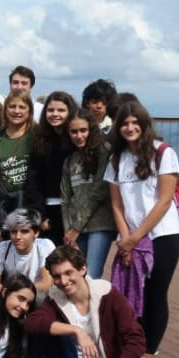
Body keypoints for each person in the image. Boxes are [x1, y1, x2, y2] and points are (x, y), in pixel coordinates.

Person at [25, 245, 146, 358]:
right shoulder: (56, 297)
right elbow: (32, 323)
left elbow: (136, 342)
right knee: (48, 330)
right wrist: (77, 331)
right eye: (57, 276)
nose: (63, 281)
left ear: (83, 269)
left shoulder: (108, 295)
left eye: (68, 273)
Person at [104, 96, 179, 358]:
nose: (129, 128)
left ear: (145, 124)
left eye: (135, 123)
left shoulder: (162, 152)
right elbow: (116, 204)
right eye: (124, 123)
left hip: (162, 235)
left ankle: (150, 355)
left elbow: (164, 201)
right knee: (130, 293)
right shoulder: (117, 158)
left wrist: (135, 238)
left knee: (155, 293)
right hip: (131, 239)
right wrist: (126, 239)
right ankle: (132, 348)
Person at [61, 110, 115, 277]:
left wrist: (75, 227)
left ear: (91, 130)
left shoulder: (104, 152)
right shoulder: (70, 159)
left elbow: (98, 192)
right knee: (77, 276)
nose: (79, 136)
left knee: (91, 275)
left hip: (99, 224)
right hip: (75, 229)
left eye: (83, 130)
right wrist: (68, 230)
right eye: (74, 131)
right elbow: (65, 198)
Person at [24, 92, 77, 246]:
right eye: (51, 110)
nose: (55, 114)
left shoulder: (76, 139)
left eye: (61, 110)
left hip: (73, 209)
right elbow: (33, 180)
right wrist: (39, 214)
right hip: (48, 209)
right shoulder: (40, 140)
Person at [0, 91, 35, 219]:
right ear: (5, 110)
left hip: (32, 204)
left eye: (22, 107)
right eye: (12, 106)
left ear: (29, 111)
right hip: (6, 206)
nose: (16, 111)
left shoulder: (37, 136)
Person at [0, 208, 55, 298]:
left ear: (36, 233)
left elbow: (47, 284)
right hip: (10, 298)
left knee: (39, 297)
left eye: (24, 231)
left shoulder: (45, 246)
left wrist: (9, 290)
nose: (18, 236)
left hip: (37, 297)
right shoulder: (1, 249)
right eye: (14, 232)